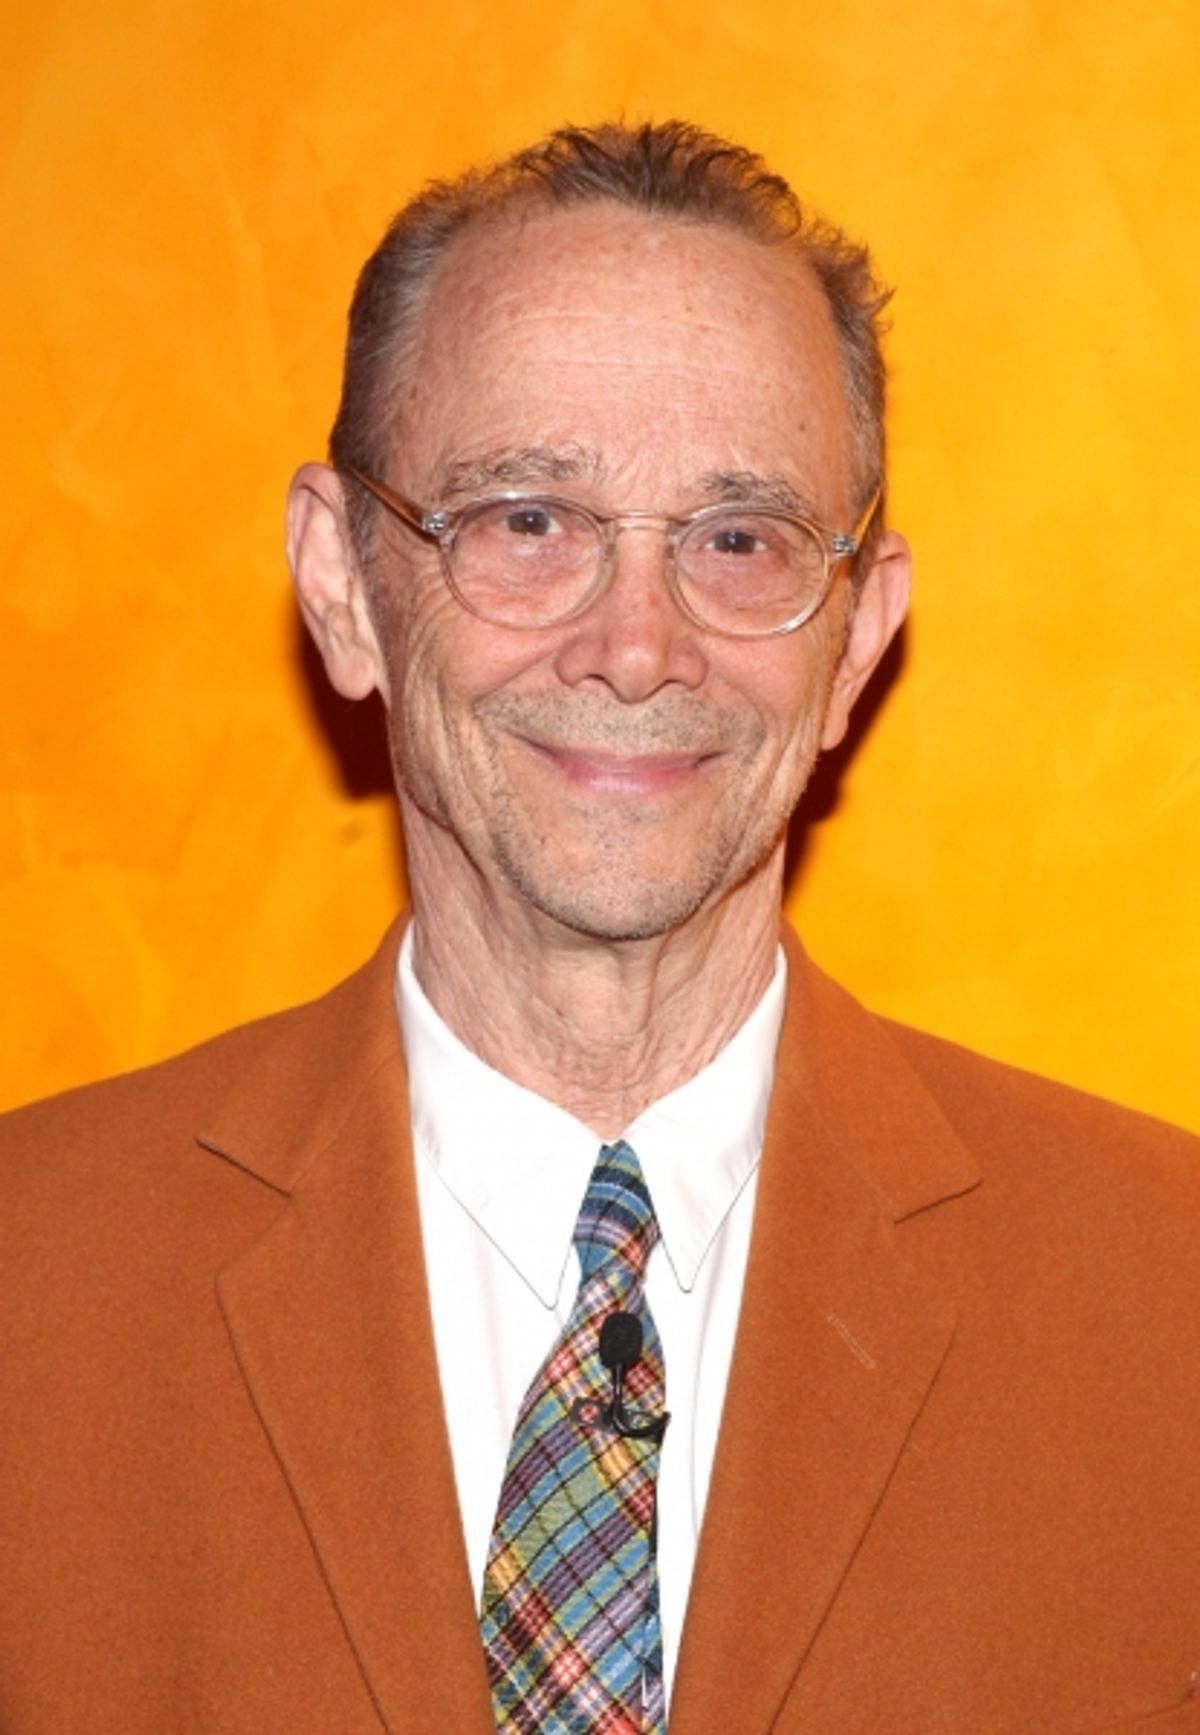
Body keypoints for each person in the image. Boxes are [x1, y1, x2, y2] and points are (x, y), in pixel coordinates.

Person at [1, 120, 1198, 1735]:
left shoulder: (1169, 1304)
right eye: (528, 519)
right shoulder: (29, 1284)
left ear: (856, 643)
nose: (638, 646)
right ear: (343, 586)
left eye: (738, 540)